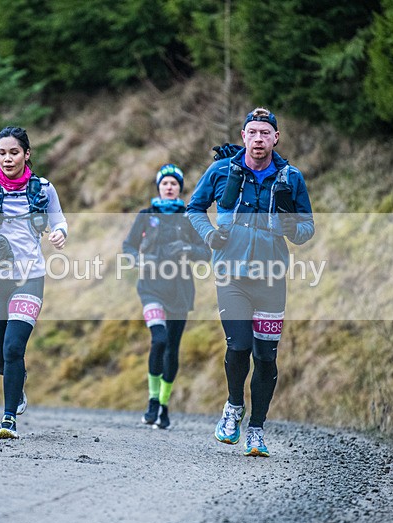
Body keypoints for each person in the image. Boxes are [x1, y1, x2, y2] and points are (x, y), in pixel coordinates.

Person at [187, 108, 314, 457]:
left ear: (276, 138)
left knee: (266, 357)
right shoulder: (222, 171)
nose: (258, 139)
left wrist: (291, 229)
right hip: (231, 274)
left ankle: (256, 430)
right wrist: (209, 236)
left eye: (265, 133)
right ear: (243, 136)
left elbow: (307, 228)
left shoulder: (291, 178)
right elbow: (194, 208)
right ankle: (233, 407)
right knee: (239, 345)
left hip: (272, 278)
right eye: (252, 132)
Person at [0, 126, 68, 440]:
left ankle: (8, 420)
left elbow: (58, 220)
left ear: (26, 154)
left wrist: (60, 233)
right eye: (2, 152)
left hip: (29, 277)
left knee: (13, 347)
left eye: (14, 152)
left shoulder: (43, 188)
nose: (7, 158)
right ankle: (16, 385)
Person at [122, 164, 210, 429]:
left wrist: (188, 248)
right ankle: (151, 400)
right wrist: (135, 258)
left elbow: (207, 251)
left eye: (174, 183)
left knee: (172, 349)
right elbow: (128, 245)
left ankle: (163, 404)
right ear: (159, 187)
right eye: (165, 183)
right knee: (158, 340)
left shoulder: (190, 217)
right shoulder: (146, 215)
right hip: (150, 287)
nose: (169, 187)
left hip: (181, 290)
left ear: (179, 188)